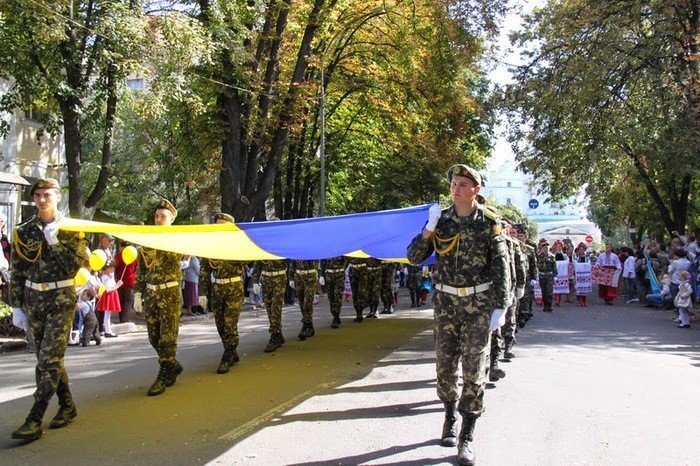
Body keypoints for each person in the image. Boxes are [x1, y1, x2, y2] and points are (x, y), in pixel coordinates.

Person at [407, 164, 508, 466]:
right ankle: (449, 415)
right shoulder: (442, 221)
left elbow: (501, 267)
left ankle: (467, 435)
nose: (456, 188)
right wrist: (429, 228)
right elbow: (413, 257)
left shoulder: (489, 223)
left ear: (476, 190)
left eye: (463, 184)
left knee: (474, 368)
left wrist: (501, 306)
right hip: (446, 304)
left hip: (478, 304)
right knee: (445, 366)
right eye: (454, 183)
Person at [10, 178, 88, 440]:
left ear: (58, 197)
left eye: (48, 195)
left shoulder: (72, 230)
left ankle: (35, 417)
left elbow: (72, 268)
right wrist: (17, 306)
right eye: (38, 195)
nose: (42, 199)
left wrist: (54, 241)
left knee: (49, 360)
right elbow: (17, 272)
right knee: (46, 359)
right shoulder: (23, 231)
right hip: (33, 301)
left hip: (61, 299)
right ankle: (67, 406)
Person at [137, 199, 185, 396]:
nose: (158, 219)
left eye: (163, 216)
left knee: (167, 337)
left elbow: (176, 258)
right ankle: (172, 364)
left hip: (170, 293)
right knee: (153, 336)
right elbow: (141, 269)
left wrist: (162, 239)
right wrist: (138, 293)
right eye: (156, 216)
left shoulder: (177, 239)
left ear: (171, 219)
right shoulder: (147, 241)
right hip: (151, 293)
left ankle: (164, 373)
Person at [199, 213, 247, 373]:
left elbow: (249, 262)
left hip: (234, 287)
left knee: (229, 325)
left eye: (223, 226)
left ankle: (227, 355)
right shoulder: (211, 247)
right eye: (217, 225)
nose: (219, 228)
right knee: (220, 325)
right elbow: (205, 271)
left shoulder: (239, 245)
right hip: (217, 289)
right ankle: (232, 351)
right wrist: (202, 293)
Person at [254, 259, 288, 352]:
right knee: (269, 308)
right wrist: (255, 281)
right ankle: (278, 333)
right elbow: (257, 264)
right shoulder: (263, 247)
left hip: (279, 277)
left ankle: (274, 335)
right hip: (266, 279)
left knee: (275, 308)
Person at [516, 225, 537, 326]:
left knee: (525, 297)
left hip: (527, 277)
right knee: (517, 298)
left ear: (525, 237)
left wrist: (534, 277)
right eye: (518, 236)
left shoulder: (530, 249)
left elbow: (534, 265)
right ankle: (516, 316)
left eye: (521, 236)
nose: (520, 238)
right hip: (515, 277)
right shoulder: (513, 247)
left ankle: (523, 316)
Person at [292, 259, 319, 340]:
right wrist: (290, 278)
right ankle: (309, 326)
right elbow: (292, 262)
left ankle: (306, 326)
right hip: (298, 277)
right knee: (301, 303)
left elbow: (320, 258)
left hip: (310, 276)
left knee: (307, 303)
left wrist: (320, 275)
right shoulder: (296, 249)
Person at [96, 262, 121, 337]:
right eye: (112, 267)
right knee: (107, 314)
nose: (113, 269)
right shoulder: (105, 277)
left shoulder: (109, 275)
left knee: (108, 314)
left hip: (111, 295)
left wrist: (117, 284)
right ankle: (107, 331)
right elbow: (108, 290)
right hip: (109, 295)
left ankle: (108, 330)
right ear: (108, 268)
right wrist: (118, 286)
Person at [321, 256, 347, 328]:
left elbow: (346, 259)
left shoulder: (341, 248)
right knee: (331, 297)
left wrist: (342, 268)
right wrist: (322, 275)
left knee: (337, 296)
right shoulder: (326, 249)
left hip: (339, 275)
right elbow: (322, 261)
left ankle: (335, 316)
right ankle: (335, 315)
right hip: (329, 275)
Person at [115, 240, 138, 322]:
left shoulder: (118, 256)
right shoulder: (133, 257)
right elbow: (135, 268)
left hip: (119, 281)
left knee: (121, 300)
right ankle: (125, 320)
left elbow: (116, 268)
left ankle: (121, 318)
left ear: (122, 247)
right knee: (128, 301)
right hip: (129, 280)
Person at [536, 239, 557, 312]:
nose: (546, 249)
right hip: (542, 276)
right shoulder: (538, 256)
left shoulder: (552, 256)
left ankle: (549, 306)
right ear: (542, 248)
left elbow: (554, 266)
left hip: (549, 276)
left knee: (549, 292)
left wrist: (555, 275)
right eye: (544, 248)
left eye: (547, 248)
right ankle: (545, 306)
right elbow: (536, 266)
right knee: (543, 292)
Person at [349, 258, 369, 322]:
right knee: (354, 293)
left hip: (363, 269)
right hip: (352, 270)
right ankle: (358, 312)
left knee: (361, 292)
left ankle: (360, 312)